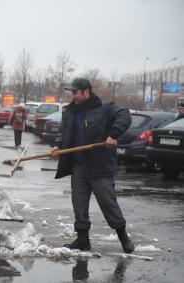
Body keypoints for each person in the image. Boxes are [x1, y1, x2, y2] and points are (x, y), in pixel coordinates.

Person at [50, 78, 135, 253]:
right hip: (78, 166)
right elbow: (63, 131)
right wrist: (58, 145)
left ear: (86, 92)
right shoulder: (70, 111)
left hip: (99, 167)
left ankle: (124, 238)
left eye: (75, 92)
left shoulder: (104, 108)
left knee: (108, 204)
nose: (73, 96)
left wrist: (113, 134)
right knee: (79, 205)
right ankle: (83, 241)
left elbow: (125, 115)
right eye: (72, 93)